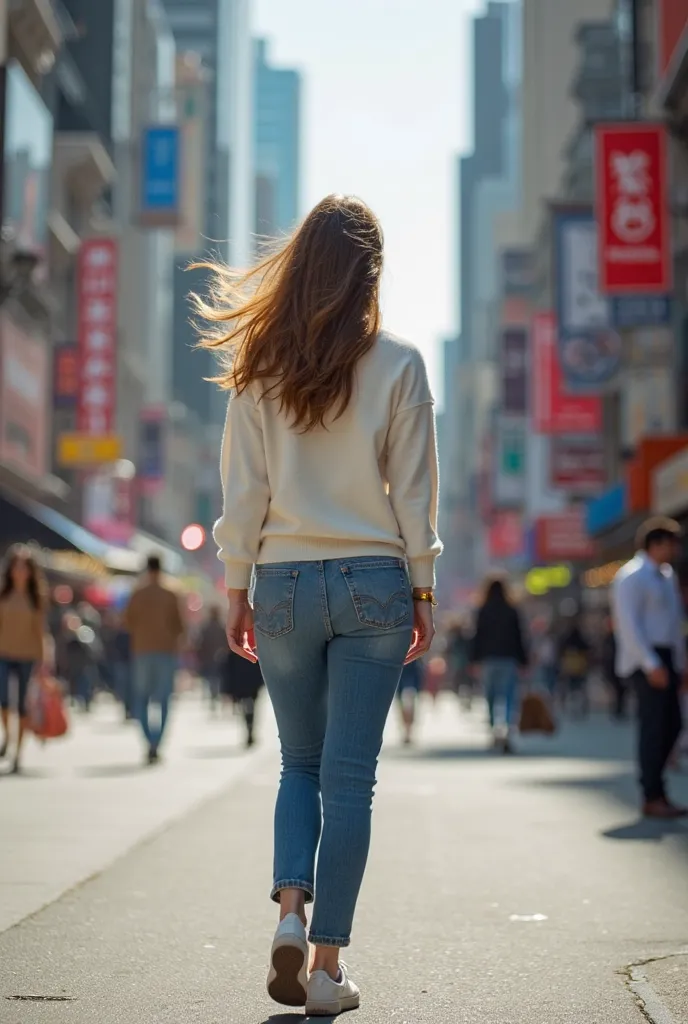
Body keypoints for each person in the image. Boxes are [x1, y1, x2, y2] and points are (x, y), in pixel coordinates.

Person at [194, 194, 441, 1015]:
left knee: (296, 765)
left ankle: (290, 915)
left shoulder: (261, 368)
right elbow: (414, 495)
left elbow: (244, 494)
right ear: (371, 270)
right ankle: (327, 971)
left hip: (284, 583)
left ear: (298, 265)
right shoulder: (400, 363)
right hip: (374, 580)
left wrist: (237, 587)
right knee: (351, 781)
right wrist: (423, 586)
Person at [611, 517, 686, 819]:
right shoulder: (632, 576)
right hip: (646, 660)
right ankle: (651, 793)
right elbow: (628, 625)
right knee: (654, 729)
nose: (675, 550)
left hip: (668, 658)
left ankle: (659, 790)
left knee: (674, 725)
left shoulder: (666, 576)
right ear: (655, 544)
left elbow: (674, 623)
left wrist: (680, 663)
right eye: (671, 543)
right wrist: (650, 663)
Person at [125, 555, 185, 764]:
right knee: (164, 699)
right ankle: (157, 742)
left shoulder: (137, 593)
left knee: (141, 698)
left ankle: (148, 740)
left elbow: (127, 621)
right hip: (166, 651)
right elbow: (179, 625)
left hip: (141, 650)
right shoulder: (171, 592)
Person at [0, 546, 46, 774]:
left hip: (28, 654)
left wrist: (44, 660)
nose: (19, 571)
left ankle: (18, 754)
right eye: (16, 566)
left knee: (22, 705)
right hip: (3, 652)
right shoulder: (3, 592)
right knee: (3, 701)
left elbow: (40, 631)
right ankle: (7, 738)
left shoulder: (35, 596)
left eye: (23, 567)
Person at [470, 574, 527, 753]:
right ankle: (508, 732)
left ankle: (494, 731)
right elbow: (519, 637)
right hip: (508, 659)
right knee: (509, 696)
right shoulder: (512, 610)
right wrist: (523, 660)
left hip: (488, 660)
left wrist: (474, 660)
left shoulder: (483, 610)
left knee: (491, 697)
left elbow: (477, 637)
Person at [220, 646, 264, 746]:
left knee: (247, 708)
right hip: (250, 683)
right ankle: (250, 730)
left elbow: (228, 671)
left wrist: (228, 689)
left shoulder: (234, 649)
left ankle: (249, 730)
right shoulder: (252, 649)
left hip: (242, 684)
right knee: (250, 708)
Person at [558, 616, 591, 718]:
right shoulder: (581, 640)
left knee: (568, 688)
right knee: (580, 688)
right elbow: (588, 649)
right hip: (580, 668)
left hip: (569, 668)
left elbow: (560, 651)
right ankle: (580, 708)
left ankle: (566, 706)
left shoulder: (566, 640)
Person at [196, 606, 227, 711]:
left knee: (211, 679)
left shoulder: (206, 628)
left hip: (209, 658)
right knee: (217, 679)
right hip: (218, 658)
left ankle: (214, 696)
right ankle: (216, 696)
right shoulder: (221, 627)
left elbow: (200, 644)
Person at [600, 615, 626, 720]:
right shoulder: (608, 639)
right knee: (617, 691)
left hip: (617, 668)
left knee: (619, 691)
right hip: (612, 668)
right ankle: (617, 710)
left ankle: (618, 710)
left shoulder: (617, 638)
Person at [397, 658, 425, 745]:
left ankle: (408, 731)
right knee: (402, 703)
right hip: (399, 668)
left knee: (409, 701)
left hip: (411, 666)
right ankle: (406, 730)